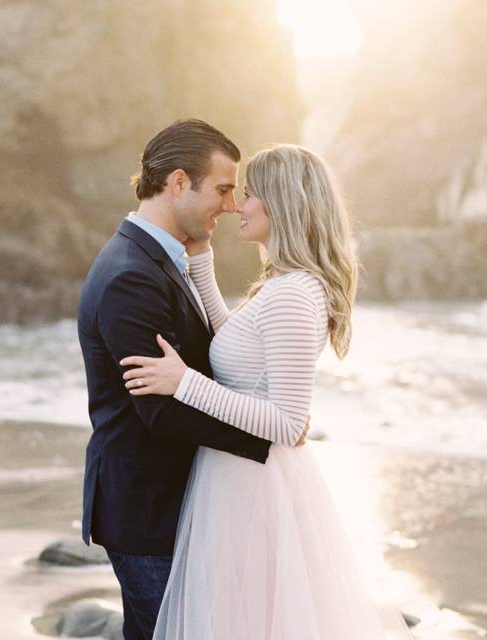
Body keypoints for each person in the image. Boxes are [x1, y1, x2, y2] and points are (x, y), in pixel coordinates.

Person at [120, 144, 414, 639]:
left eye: (250, 194)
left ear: (282, 204)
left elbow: (287, 422)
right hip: (240, 480)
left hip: (255, 488)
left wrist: (183, 383)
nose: (237, 205)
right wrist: (202, 263)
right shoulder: (283, 288)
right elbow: (233, 349)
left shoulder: (294, 294)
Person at [77, 120, 285, 640]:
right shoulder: (132, 276)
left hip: (164, 503)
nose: (233, 204)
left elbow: (204, 354)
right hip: (149, 510)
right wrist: (272, 436)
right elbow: (159, 408)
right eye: (221, 188)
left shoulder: (164, 260)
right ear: (177, 183)